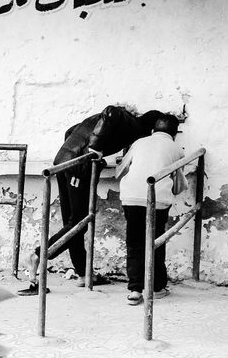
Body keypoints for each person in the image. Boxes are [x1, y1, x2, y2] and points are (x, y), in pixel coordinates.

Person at [18, 105, 166, 296]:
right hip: (78, 169)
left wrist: (91, 156)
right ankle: (38, 254)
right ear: (151, 130)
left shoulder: (109, 124)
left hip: (64, 163)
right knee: (79, 222)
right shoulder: (131, 124)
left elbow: (70, 131)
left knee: (73, 223)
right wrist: (94, 149)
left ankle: (83, 273)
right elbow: (111, 111)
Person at [115, 114, 185, 305]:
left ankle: (135, 290)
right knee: (156, 241)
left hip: (130, 197)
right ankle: (157, 287)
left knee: (134, 242)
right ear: (174, 134)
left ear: (153, 131)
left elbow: (120, 170)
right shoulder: (176, 148)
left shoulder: (139, 142)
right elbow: (179, 182)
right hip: (157, 199)